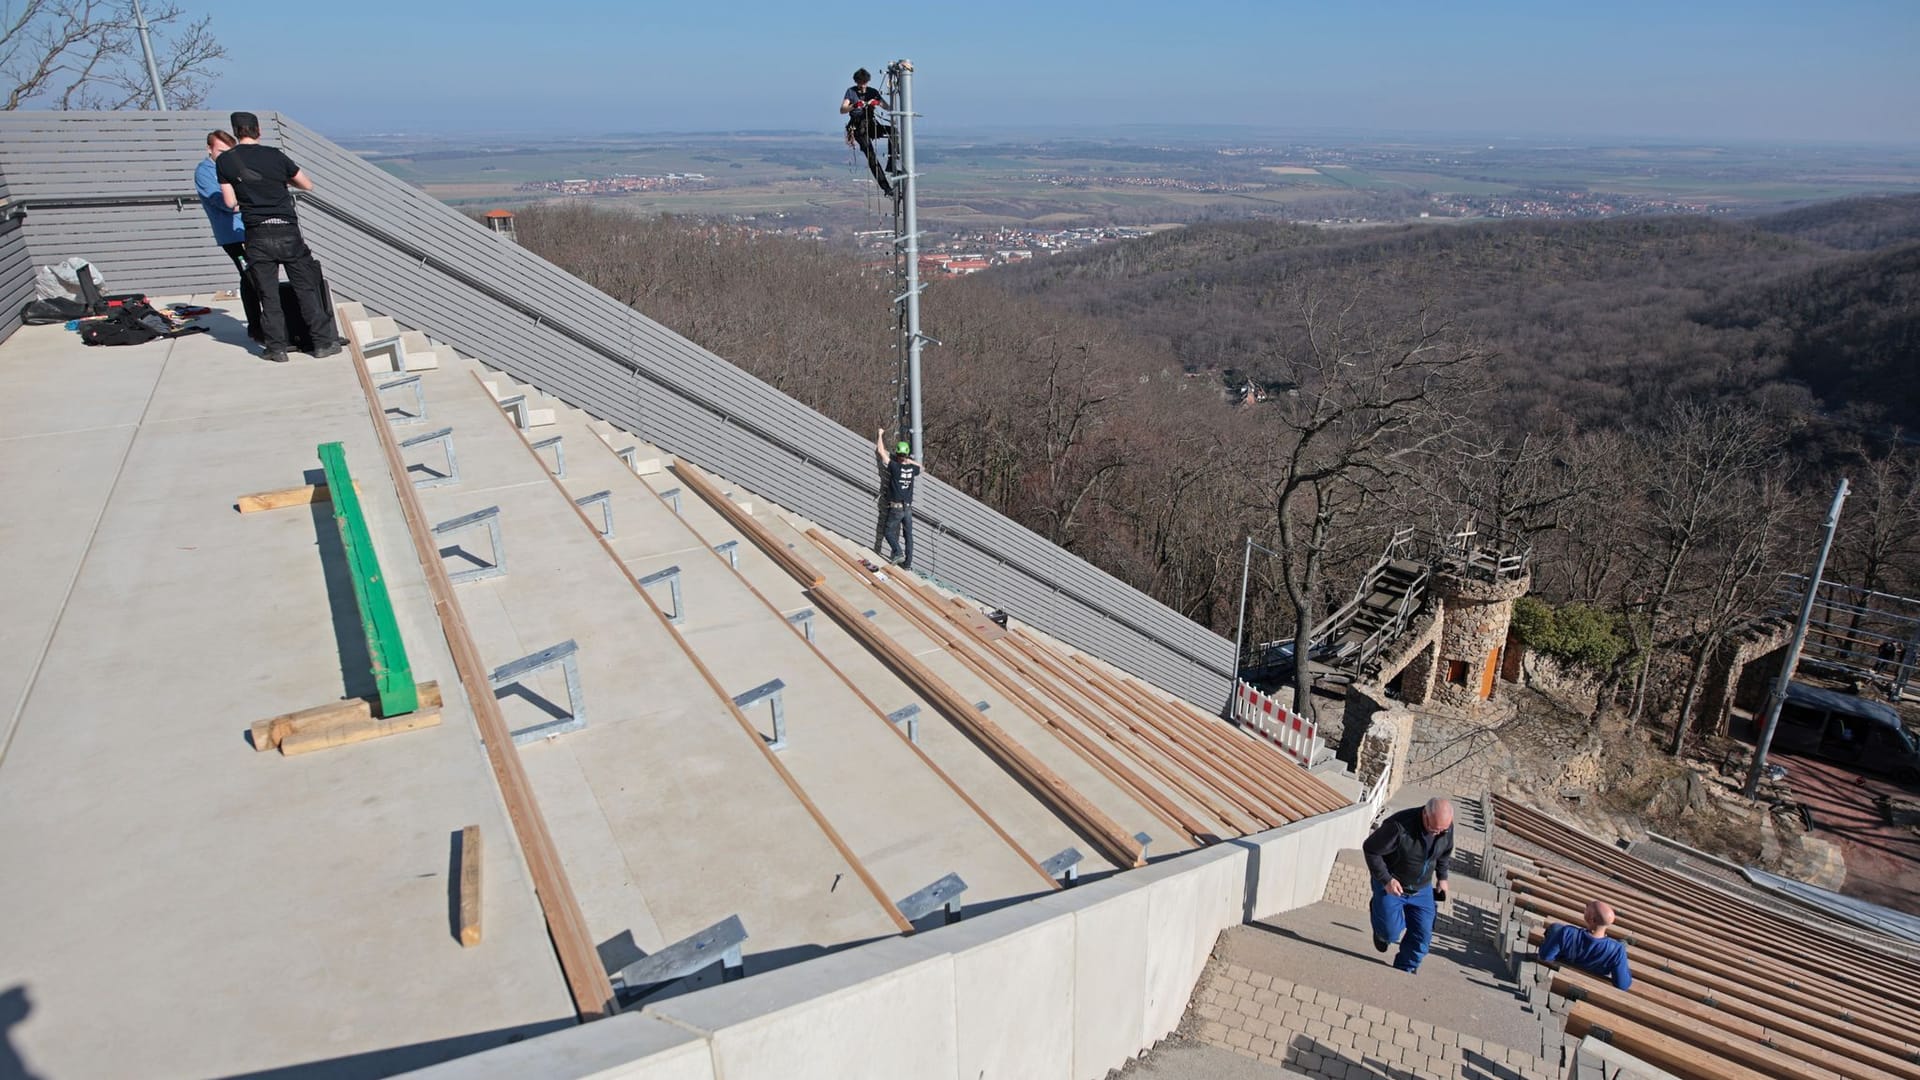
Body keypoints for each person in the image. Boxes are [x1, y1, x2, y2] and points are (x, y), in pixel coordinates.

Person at [216, 111, 342, 363]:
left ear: (236, 132)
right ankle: (322, 343)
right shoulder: (275, 156)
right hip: (286, 230)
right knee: (304, 288)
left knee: (268, 293)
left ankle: (276, 349)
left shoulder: (225, 162)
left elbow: (230, 202)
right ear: (257, 130)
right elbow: (307, 184)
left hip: (256, 234)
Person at [1361, 797, 1455, 974]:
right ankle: (1381, 925)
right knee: (1390, 933)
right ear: (1425, 814)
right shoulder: (1398, 826)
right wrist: (1386, 880)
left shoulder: (1445, 828)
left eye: (1443, 830)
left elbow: (1444, 853)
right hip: (1393, 884)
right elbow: (1371, 849)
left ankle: (1404, 970)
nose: (1438, 834)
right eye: (1434, 829)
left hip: (1422, 889)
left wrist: (1442, 877)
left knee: (1423, 936)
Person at [194, 130, 262, 342]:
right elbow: (224, 202)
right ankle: (256, 325)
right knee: (250, 276)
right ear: (209, 149)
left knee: (257, 275)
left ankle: (260, 323)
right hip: (232, 234)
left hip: (248, 227)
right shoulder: (205, 172)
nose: (225, 156)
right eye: (220, 151)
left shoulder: (232, 167)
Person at [1539, 900, 1633, 991]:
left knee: (1556, 928)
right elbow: (1622, 985)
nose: (1586, 907)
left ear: (1592, 919)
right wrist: (1626, 968)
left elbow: (1545, 956)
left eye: (1588, 908)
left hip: (1564, 971)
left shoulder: (1567, 932)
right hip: (1593, 984)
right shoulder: (1617, 950)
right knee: (1622, 944)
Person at [840, 67, 895, 197]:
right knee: (871, 156)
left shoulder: (872, 92)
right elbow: (842, 109)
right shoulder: (851, 92)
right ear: (857, 82)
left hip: (871, 124)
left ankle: (891, 164)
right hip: (858, 127)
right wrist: (854, 106)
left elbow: (888, 107)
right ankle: (886, 187)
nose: (863, 86)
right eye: (860, 83)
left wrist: (876, 102)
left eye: (864, 83)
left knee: (894, 132)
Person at [874, 428, 921, 570]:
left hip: (895, 507)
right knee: (908, 536)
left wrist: (880, 434)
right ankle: (907, 564)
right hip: (908, 508)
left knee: (888, 531)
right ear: (906, 454)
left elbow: (881, 451)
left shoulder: (894, 467)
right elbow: (922, 467)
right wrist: (909, 460)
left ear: (897, 454)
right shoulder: (912, 470)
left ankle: (898, 552)